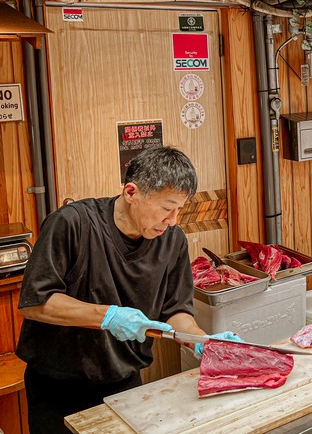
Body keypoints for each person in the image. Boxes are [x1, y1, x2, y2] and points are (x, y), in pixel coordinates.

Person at [16, 146, 239, 433]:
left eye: (179, 210)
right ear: (131, 192)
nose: (172, 221)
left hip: (125, 382)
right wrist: (109, 316)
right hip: (58, 386)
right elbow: (35, 302)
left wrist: (200, 339)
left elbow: (176, 310)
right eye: (166, 208)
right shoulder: (72, 224)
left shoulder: (172, 241)